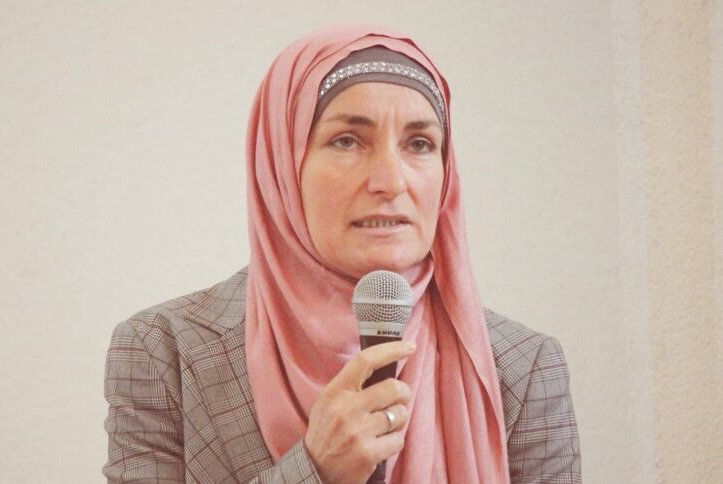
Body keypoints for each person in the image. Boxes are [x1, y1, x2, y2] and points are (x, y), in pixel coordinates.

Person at [102, 24, 580, 483]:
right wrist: (316, 469)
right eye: (347, 140)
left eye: (419, 144)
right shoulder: (164, 349)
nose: (391, 181)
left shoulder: (521, 366)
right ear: (282, 167)